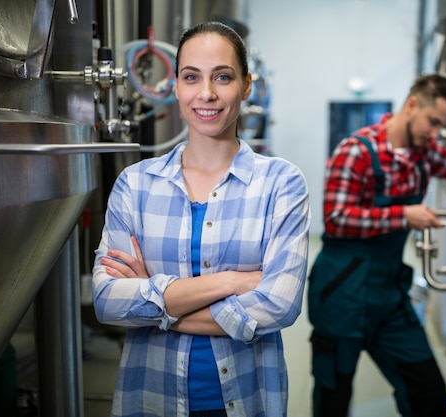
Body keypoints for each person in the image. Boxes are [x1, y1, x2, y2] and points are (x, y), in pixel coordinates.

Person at [92, 21, 311, 417]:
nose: (206, 93)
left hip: (247, 401)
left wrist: (153, 304)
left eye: (222, 77)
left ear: (246, 86)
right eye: (191, 77)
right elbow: (107, 302)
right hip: (152, 400)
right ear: (175, 86)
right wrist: (231, 282)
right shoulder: (137, 184)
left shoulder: (281, 183)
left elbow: (279, 304)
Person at [307, 74, 446, 417]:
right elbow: (336, 217)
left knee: (427, 390)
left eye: (442, 126)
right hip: (341, 295)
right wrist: (402, 216)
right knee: (333, 396)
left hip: (388, 298)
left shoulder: (423, 154)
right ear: (412, 106)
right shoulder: (357, 150)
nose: (436, 133)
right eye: (433, 122)